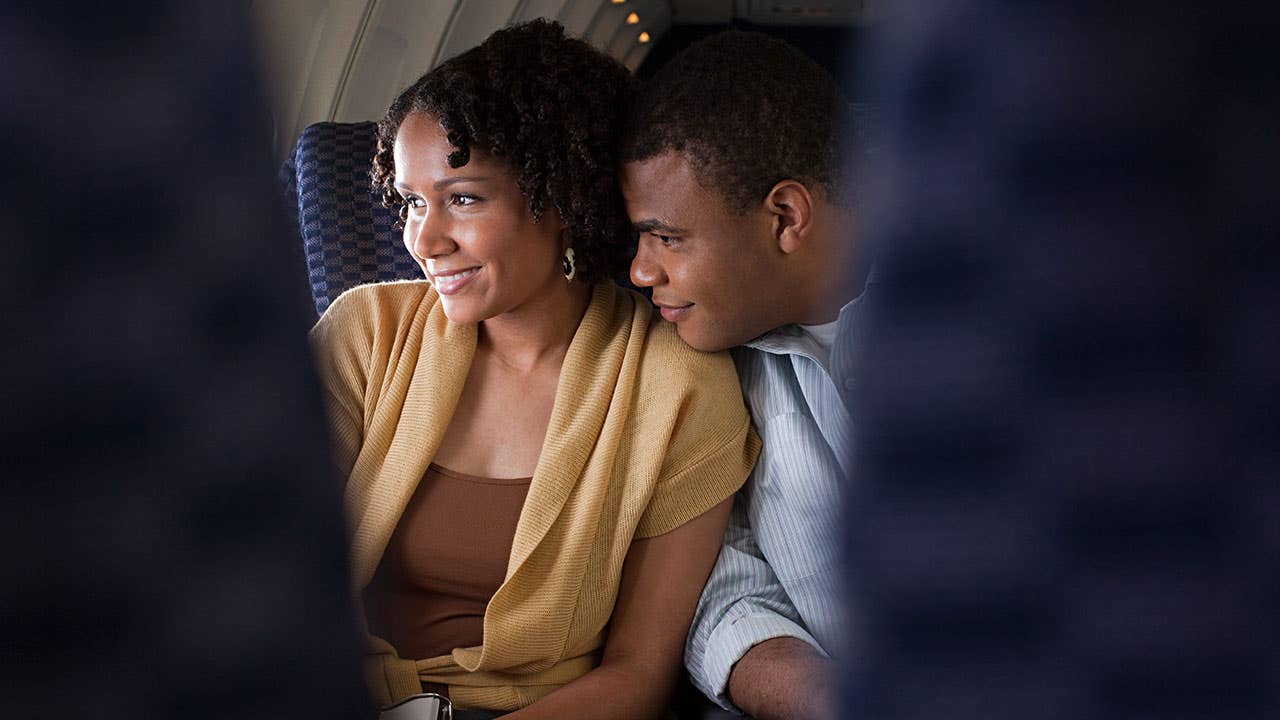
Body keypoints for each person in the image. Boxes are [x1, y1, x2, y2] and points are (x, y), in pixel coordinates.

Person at [309, 20, 760, 720]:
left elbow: (638, 675)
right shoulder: (362, 334)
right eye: (411, 202)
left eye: (463, 198)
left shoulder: (679, 386)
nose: (424, 240)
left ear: (559, 195)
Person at [619, 30, 869, 720]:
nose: (640, 271)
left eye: (667, 237)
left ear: (785, 217)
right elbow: (724, 595)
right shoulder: (691, 363)